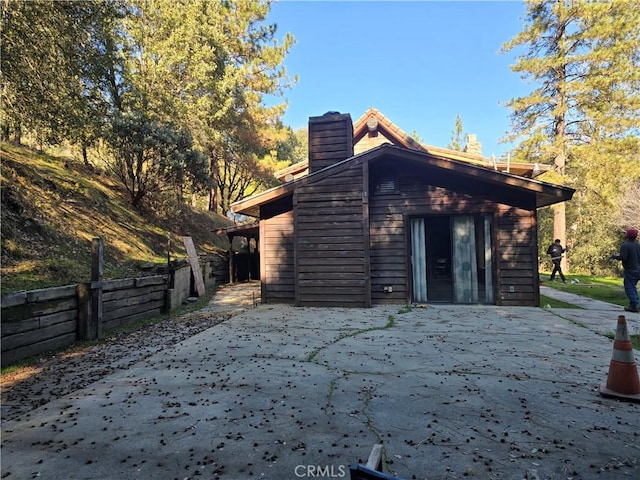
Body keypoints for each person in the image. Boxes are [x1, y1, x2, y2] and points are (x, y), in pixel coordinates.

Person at [609, 228, 640, 313]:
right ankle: (635, 304)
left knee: (629, 287)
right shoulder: (638, 245)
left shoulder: (625, 245)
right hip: (638, 269)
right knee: (633, 287)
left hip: (631, 269)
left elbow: (624, 257)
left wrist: (614, 256)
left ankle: (634, 305)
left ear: (627, 236)